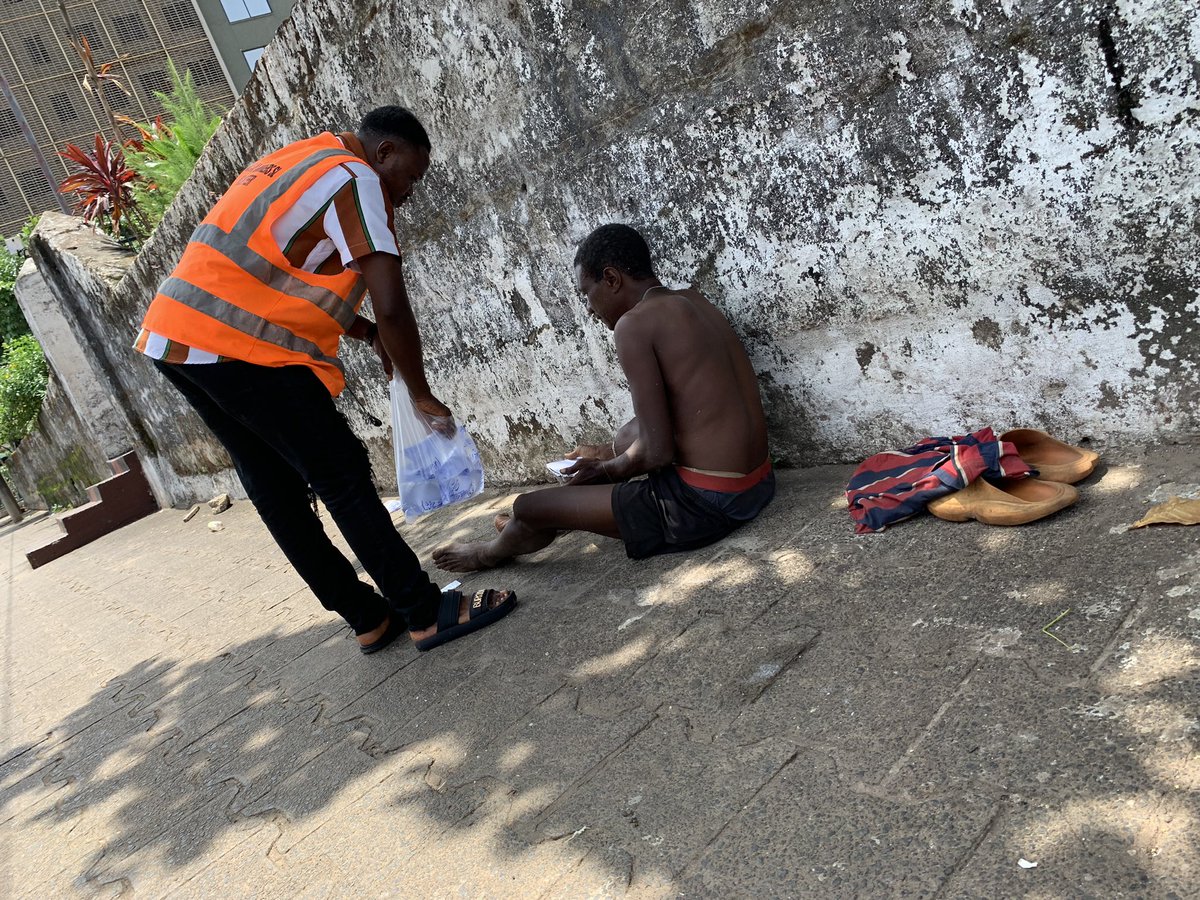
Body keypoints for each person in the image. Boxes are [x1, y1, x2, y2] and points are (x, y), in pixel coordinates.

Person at [136, 106, 515, 654]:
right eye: (410, 175)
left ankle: (366, 616)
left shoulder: (300, 159)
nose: (409, 192)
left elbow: (277, 275)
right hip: (239, 347)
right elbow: (392, 303)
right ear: (384, 152)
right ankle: (424, 610)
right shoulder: (357, 178)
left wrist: (362, 334)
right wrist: (420, 390)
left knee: (273, 488)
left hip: (176, 337)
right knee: (339, 473)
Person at [432, 223, 774, 571]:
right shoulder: (693, 298)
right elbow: (673, 416)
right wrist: (606, 458)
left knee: (527, 507)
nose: (591, 309)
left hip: (707, 506)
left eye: (587, 293)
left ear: (611, 279)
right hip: (758, 483)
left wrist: (605, 471)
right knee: (625, 437)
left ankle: (490, 551)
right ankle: (558, 516)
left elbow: (657, 454)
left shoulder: (633, 325)